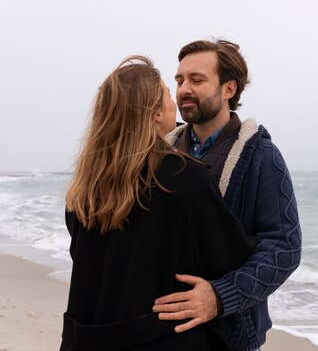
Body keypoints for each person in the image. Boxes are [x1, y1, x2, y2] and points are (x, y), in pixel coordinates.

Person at [61, 56, 253, 351]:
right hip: (160, 338)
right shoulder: (186, 176)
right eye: (167, 93)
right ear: (154, 115)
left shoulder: (83, 188)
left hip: (87, 338)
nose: (173, 101)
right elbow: (229, 260)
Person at [153, 39, 302, 351]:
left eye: (197, 79)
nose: (183, 89)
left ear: (229, 89)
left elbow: (284, 246)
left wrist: (220, 297)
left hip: (231, 337)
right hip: (162, 332)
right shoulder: (161, 152)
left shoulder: (261, 155)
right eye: (179, 80)